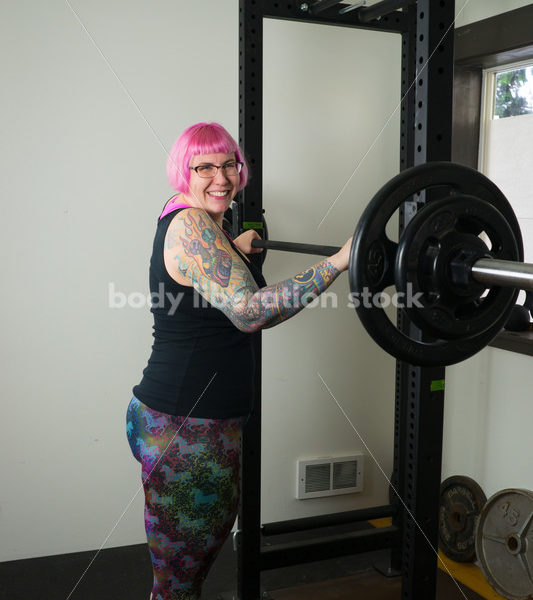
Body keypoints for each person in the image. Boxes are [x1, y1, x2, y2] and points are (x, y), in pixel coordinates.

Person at [126, 122, 352, 600]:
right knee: (178, 585)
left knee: (184, 575)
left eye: (228, 165)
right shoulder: (191, 227)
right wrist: (339, 261)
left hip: (182, 419)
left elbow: (203, 278)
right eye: (204, 167)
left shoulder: (194, 220)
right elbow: (249, 312)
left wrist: (233, 247)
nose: (221, 179)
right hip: (188, 431)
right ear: (182, 172)